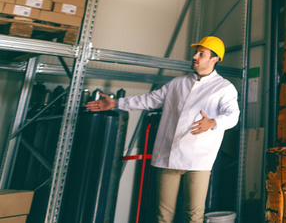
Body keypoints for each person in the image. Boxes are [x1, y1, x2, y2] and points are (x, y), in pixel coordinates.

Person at [86, 36, 240, 223]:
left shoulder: (223, 88)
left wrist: (213, 122)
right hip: (168, 157)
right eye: (196, 52)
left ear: (214, 59)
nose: (195, 56)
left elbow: (233, 115)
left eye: (201, 53)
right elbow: (149, 100)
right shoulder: (177, 83)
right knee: (162, 217)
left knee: (194, 216)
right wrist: (116, 103)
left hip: (198, 162)